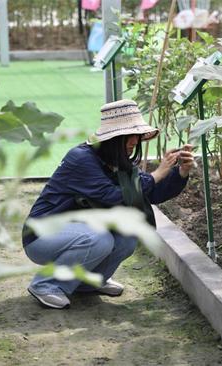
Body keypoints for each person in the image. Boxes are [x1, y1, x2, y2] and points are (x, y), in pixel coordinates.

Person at [22, 99, 195, 309]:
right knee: (99, 239)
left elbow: (150, 194)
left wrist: (180, 172)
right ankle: (46, 285)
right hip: (41, 237)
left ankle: (88, 283)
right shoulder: (81, 159)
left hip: (76, 230)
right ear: (113, 138)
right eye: (128, 136)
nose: (134, 141)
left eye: (137, 135)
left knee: (127, 237)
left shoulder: (119, 161)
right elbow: (112, 196)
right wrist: (157, 173)